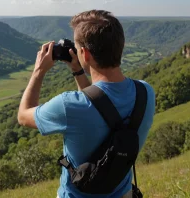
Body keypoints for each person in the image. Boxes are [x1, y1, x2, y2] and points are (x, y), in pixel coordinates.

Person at [17, 10, 155, 198]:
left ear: (85, 53)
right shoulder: (145, 93)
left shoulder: (68, 105)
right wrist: (78, 71)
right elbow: (98, 103)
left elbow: (23, 116)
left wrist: (38, 71)